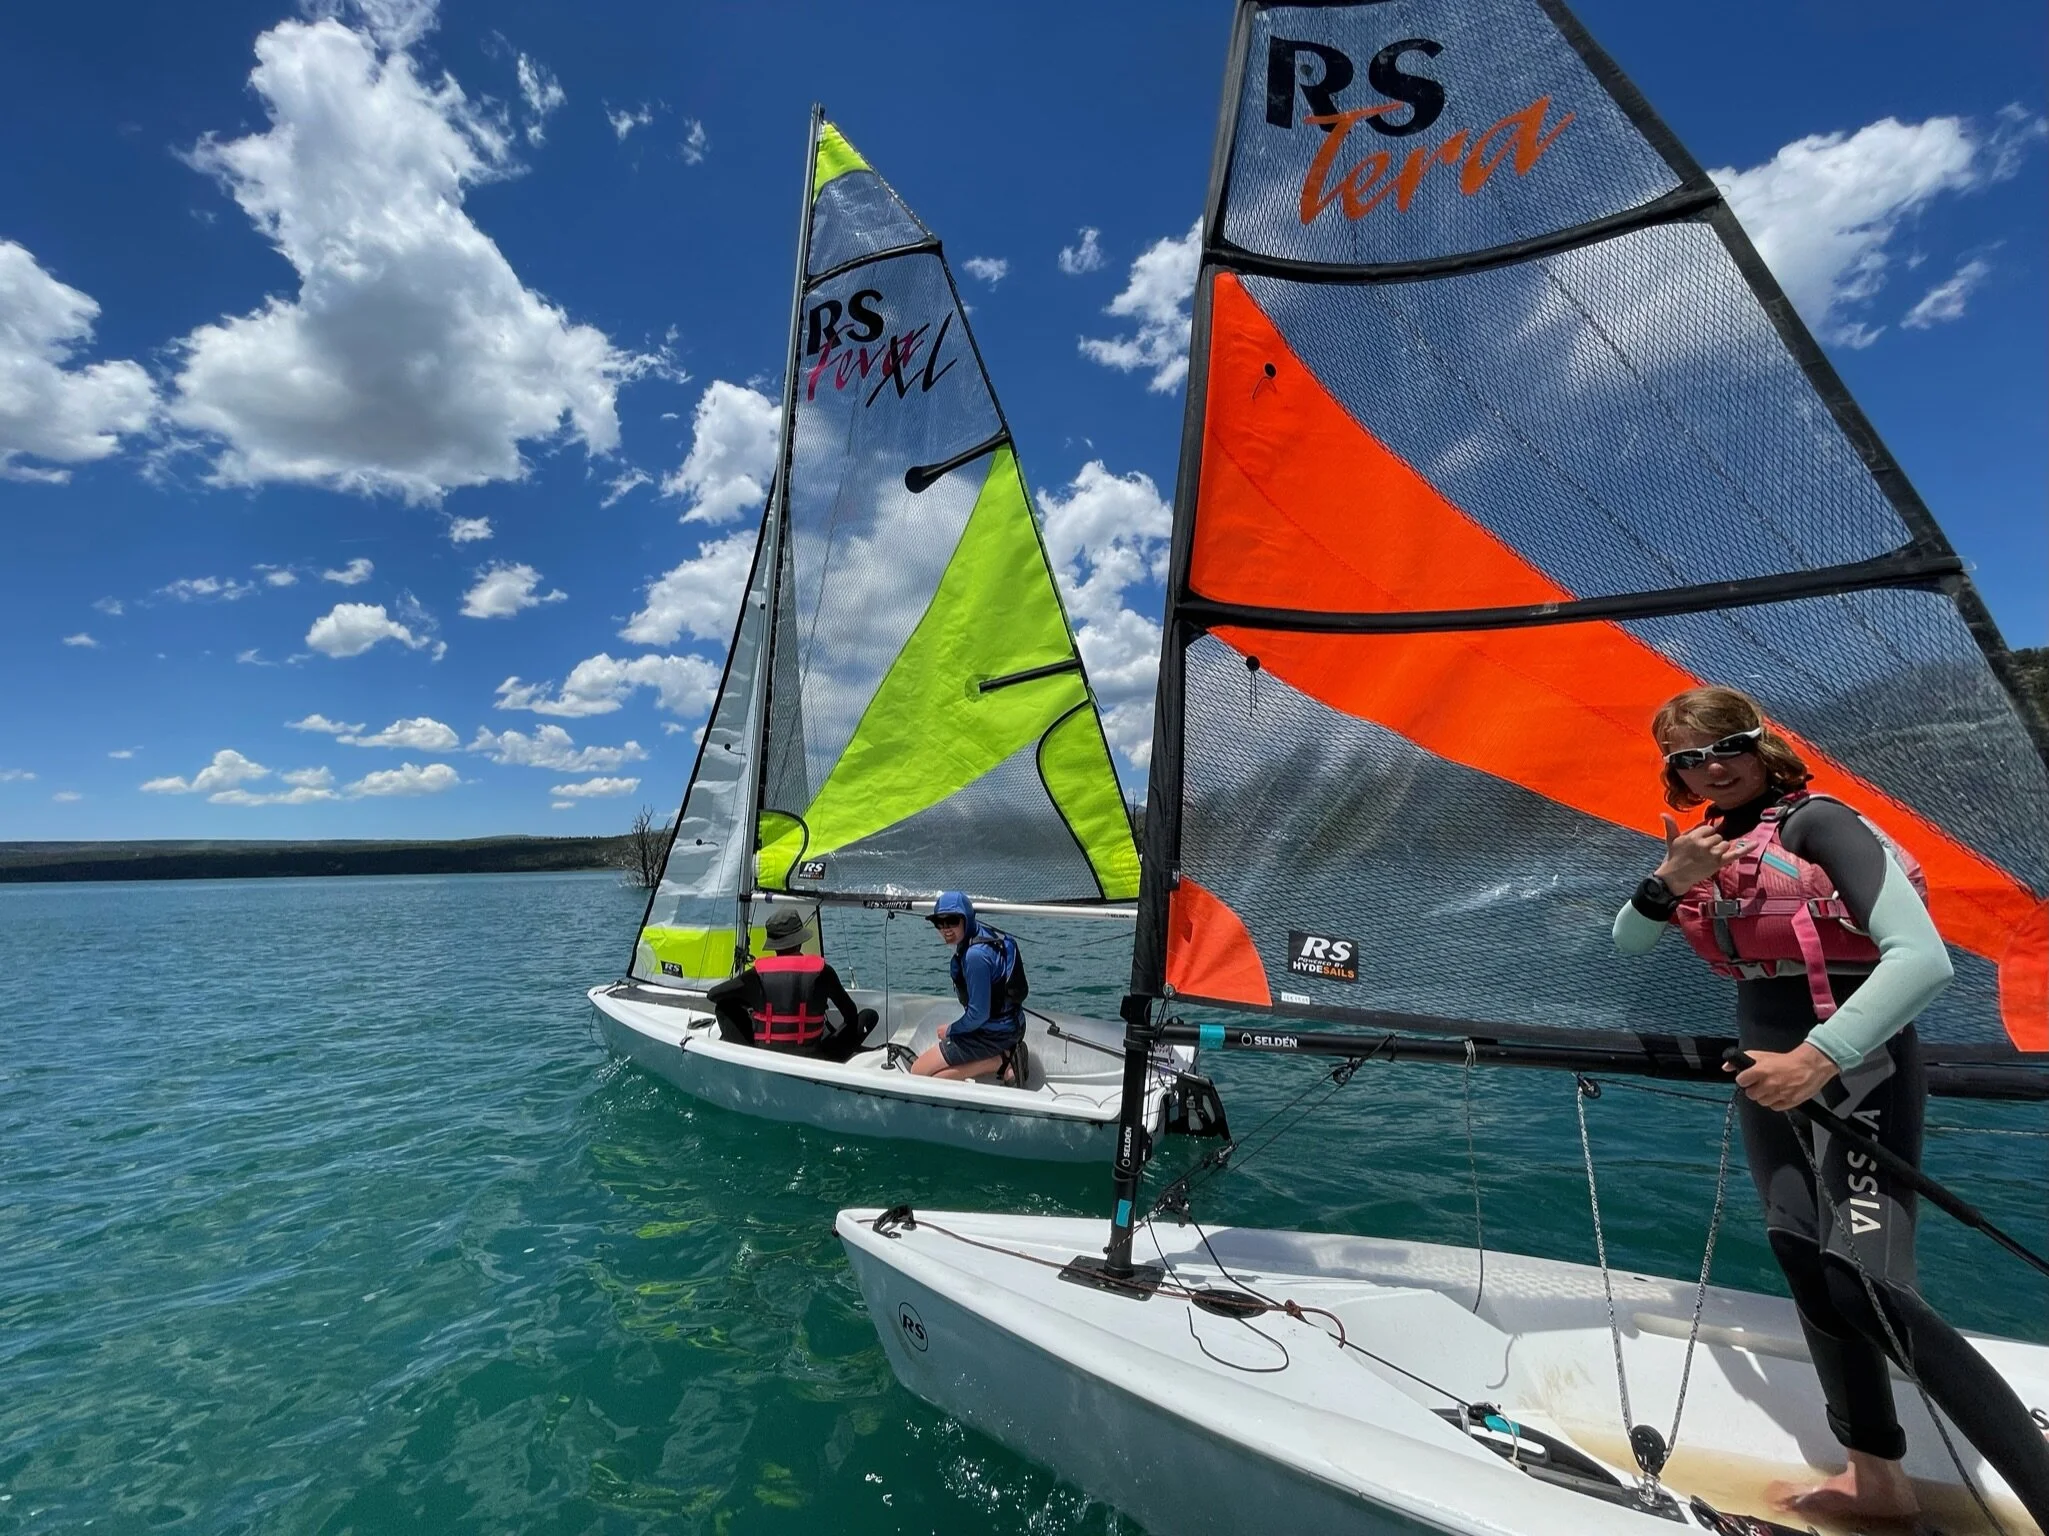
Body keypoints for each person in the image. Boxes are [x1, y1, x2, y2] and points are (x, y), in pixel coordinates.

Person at [1613, 686, 2049, 1526]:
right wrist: (1667, 882)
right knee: (1804, 1265)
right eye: (1687, 758)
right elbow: (1628, 941)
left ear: (1761, 746)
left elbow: (1924, 961)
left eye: (1726, 747)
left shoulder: (1819, 823)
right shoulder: (1702, 844)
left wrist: (1817, 1059)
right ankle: (1873, 1482)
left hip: (1850, 1065)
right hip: (1766, 1069)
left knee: (1869, 1287)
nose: (1710, 767)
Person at [707, 907, 871, 1063]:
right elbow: (850, 1012)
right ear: (799, 941)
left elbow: (713, 995)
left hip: (764, 1053)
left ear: (774, 945)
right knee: (868, 1016)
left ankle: (743, 1057)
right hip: (814, 1057)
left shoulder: (756, 975)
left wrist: (751, 1003)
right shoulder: (823, 971)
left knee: (724, 1007)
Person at [909, 891, 1030, 1084]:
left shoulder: (975, 956)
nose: (945, 928)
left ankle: (1001, 1061)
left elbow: (978, 1015)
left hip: (994, 1035)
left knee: (919, 1073)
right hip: (1013, 1025)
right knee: (935, 1075)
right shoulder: (985, 935)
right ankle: (1003, 1056)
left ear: (967, 918)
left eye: (952, 921)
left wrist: (950, 1030)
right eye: (938, 923)